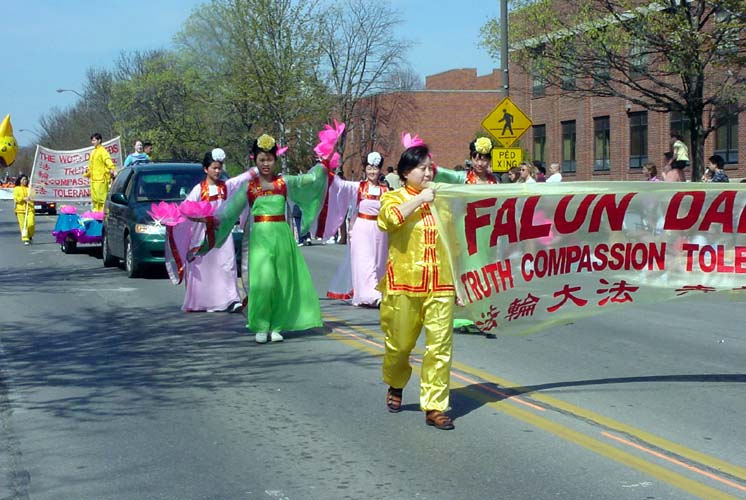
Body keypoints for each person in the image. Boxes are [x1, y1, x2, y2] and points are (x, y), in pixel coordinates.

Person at [197, 133, 327, 344]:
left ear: (276, 160)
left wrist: (324, 165)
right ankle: (260, 324)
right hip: (259, 240)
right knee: (263, 282)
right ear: (255, 160)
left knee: (281, 281)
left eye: (270, 159)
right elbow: (228, 211)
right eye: (262, 160)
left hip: (282, 237)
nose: (266, 164)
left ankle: (277, 325)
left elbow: (310, 181)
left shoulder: (284, 182)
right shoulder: (249, 187)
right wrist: (207, 219)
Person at [378, 138, 456, 431]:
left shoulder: (442, 201)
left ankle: (435, 406)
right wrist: (420, 199)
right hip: (404, 283)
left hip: (441, 283)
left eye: (429, 168)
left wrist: (460, 281)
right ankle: (396, 382)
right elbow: (388, 221)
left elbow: (456, 242)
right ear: (405, 172)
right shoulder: (393, 197)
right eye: (421, 168)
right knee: (399, 346)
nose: (427, 173)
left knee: (439, 348)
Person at [169, 148, 258, 313]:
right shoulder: (199, 189)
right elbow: (186, 210)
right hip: (202, 236)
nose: (217, 171)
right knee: (204, 269)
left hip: (222, 234)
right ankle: (202, 301)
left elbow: (241, 180)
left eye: (219, 168)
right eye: (214, 168)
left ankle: (231, 299)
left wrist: (258, 168)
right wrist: (197, 219)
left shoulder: (226, 187)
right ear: (206, 169)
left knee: (227, 264)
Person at [324, 152, 389, 307]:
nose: (372, 171)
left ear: (380, 170)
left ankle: (373, 292)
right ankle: (372, 296)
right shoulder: (358, 187)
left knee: (378, 263)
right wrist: (327, 169)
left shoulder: (386, 191)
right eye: (369, 168)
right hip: (362, 229)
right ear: (365, 169)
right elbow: (340, 185)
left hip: (380, 230)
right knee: (365, 262)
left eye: (375, 168)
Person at [433, 137, 499, 184]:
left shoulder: (496, 180)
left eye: (483, 160)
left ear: (489, 160)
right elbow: (444, 173)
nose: (479, 164)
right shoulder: (462, 178)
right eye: (476, 160)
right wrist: (431, 166)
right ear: (471, 159)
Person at [83, 133, 117, 211]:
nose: (92, 142)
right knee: (95, 199)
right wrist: (87, 172)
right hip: (93, 180)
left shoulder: (103, 151)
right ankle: (96, 215)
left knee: (101, 199)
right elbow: (91, 166)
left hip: (101, 180)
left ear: (99, 140)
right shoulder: (93, 152)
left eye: (94, 140)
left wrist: (112, 168)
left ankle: (102, 215)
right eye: (92, 140)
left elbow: (107, 160)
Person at [13, 174, 34, 245]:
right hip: (20, 210)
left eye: (26, 179)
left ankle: (30, 235)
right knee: (23, 225)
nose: (25, 181)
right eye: (23, 179)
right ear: (20, 180)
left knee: (31, 224)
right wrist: (23, 198)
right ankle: (25, 239)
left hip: (30, 209)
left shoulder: (30, 188)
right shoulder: (16, 188)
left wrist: (30, 197)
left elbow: (34, 197)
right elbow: (16, 198)